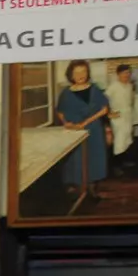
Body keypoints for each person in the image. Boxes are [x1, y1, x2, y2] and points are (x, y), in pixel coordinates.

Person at [55, 60, 110, 196]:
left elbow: (104, 110)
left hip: (94, 129)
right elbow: (60, 112)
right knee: (75, 159)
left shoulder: (95, 89)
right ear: (71, 75)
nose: (80, 75)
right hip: (73, 130)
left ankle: (92, 187)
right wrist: (66, 123)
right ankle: (75, 187)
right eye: (77, 72)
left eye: (83, 71)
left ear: (88, 73)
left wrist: (85, 123)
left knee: (94, 157)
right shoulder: (65, 93)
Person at [106, 63, 135, 163]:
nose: (126, 75)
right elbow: (103, 100)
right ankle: (116, 165)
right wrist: (109, 113)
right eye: (123, 73)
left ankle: (125, 164)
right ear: (118, 74)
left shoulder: (130, 86)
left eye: (128, 73)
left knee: (127, 139)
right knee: (119, 141)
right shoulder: (113, 87)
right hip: (117, 117)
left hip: (128, 116)